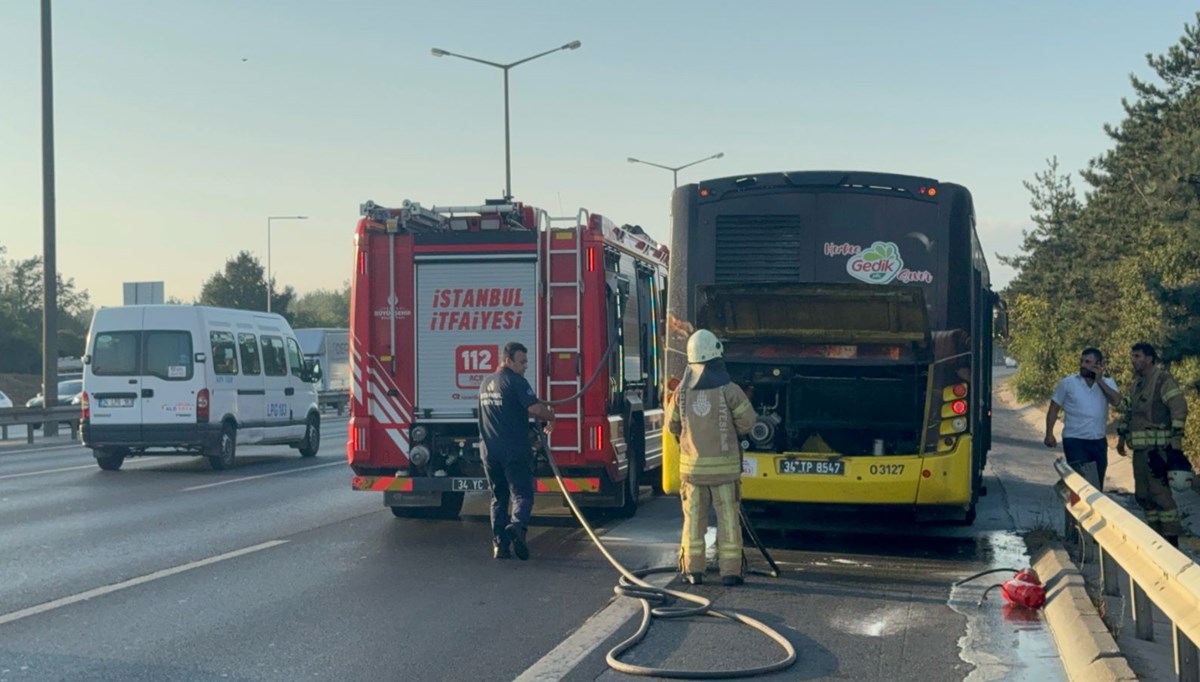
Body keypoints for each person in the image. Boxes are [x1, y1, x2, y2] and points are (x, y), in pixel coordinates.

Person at [667, 329, 756, 586]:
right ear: (717, 355)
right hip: (725, 473)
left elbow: (672, 426)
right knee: (728, 520)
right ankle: (731, 572)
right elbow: (748, 422)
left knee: (694, 522)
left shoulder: (681, 393)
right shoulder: (730, 390)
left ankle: (693, 571)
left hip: (692, 473)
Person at [478, 341, 554, 560]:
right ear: (508, 360)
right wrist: (552, 417)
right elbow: (535, 408)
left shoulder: (486, 383)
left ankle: (500, 546)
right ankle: (518, 527)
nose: (525, 366)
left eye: (526, 361)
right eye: (522, 362)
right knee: (522, 494)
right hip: (513, 451)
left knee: (498, 497)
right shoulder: (516, 381)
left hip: (489, 452)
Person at [1117, 342, 1188, 546]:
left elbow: (1178, 406)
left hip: (1159, 451)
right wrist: (1122, 437)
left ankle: (1171, 539)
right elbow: (1128, 411)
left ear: (1149, 358)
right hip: (1140, 451)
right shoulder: (1137, 383)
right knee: (1143, 495)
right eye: (1133, 356)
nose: (1134, 360)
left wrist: (1176, 439)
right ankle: (1156, 536)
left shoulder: (1161, 380)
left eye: (1138, 356)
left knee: (1161, 495)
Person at [1044, 348, 1122, 490]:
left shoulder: (1107, 382)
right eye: (1082, 361)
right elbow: (1054, 408)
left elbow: (1117, 401)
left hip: (1098, 441)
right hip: (1075, 440)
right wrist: (1049, 434)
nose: (1083, 365)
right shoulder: (1068, 383)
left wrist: (1100, 381)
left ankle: (1091, 511)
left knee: (1096, 485)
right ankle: (1075, 509)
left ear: (1098, 365)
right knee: (1081, 482)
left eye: (1088, 362)